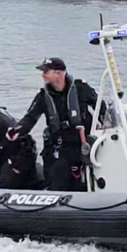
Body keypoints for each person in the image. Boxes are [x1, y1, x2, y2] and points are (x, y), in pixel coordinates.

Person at [7, 57, 100, 191]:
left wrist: (107, 125)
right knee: (58, 179)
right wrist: (17, 130)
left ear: (58, 73)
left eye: (46, 71)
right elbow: (30, 117)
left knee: (84, 181)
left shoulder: (81, 88)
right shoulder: (43, 96)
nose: (42, 75)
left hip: (84, 144)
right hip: (61, 147)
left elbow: (100, 107)